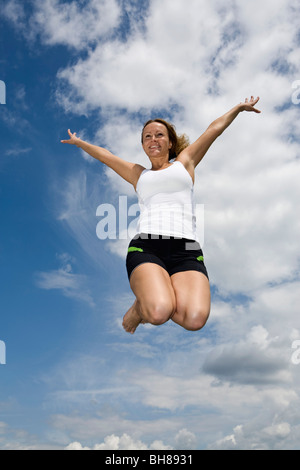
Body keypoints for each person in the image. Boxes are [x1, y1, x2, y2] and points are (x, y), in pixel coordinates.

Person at [61, 96, 261, 334]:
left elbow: (213, 130)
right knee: (157, 313)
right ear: (143, 145)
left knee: (195, 320)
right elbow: (106, 156)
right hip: (148, 247)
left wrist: (238, 108)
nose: (153, 139)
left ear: (170, 143)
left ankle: (149, 299)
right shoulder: (138, 174)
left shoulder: (185, 163)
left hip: (186, 250)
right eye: (147, 136)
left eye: (159, 135)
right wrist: (80, 143)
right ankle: (142, 308)